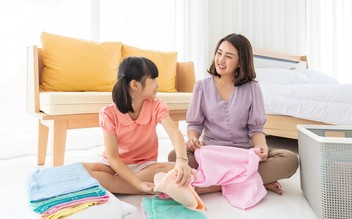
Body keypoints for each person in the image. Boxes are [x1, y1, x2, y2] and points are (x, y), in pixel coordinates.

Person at [168, 33, 299, 195]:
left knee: (290, 160)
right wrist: (193, 138)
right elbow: (195, 124)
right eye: (219, 53)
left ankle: (215, 183)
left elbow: (256, 129)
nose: (220, 60)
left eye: (228, 56)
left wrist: (261, 147)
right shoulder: (202, 86)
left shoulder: (252, 88)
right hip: (212, 153)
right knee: (175, 156)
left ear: (240, 62)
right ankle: (251, 180)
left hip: (242, 154)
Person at [83, 56, 194, 195]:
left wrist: (182, 161)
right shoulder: (109, 113)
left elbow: (174, 133)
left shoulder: (156, 106)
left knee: (173, 168)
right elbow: (113, 158)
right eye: (153, 79)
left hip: (144, 165)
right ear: (135, 85)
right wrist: (139, 184)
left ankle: (112, 185)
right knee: (82, 170)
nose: (157, 85)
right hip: (114, 166)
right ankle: (126, 186)